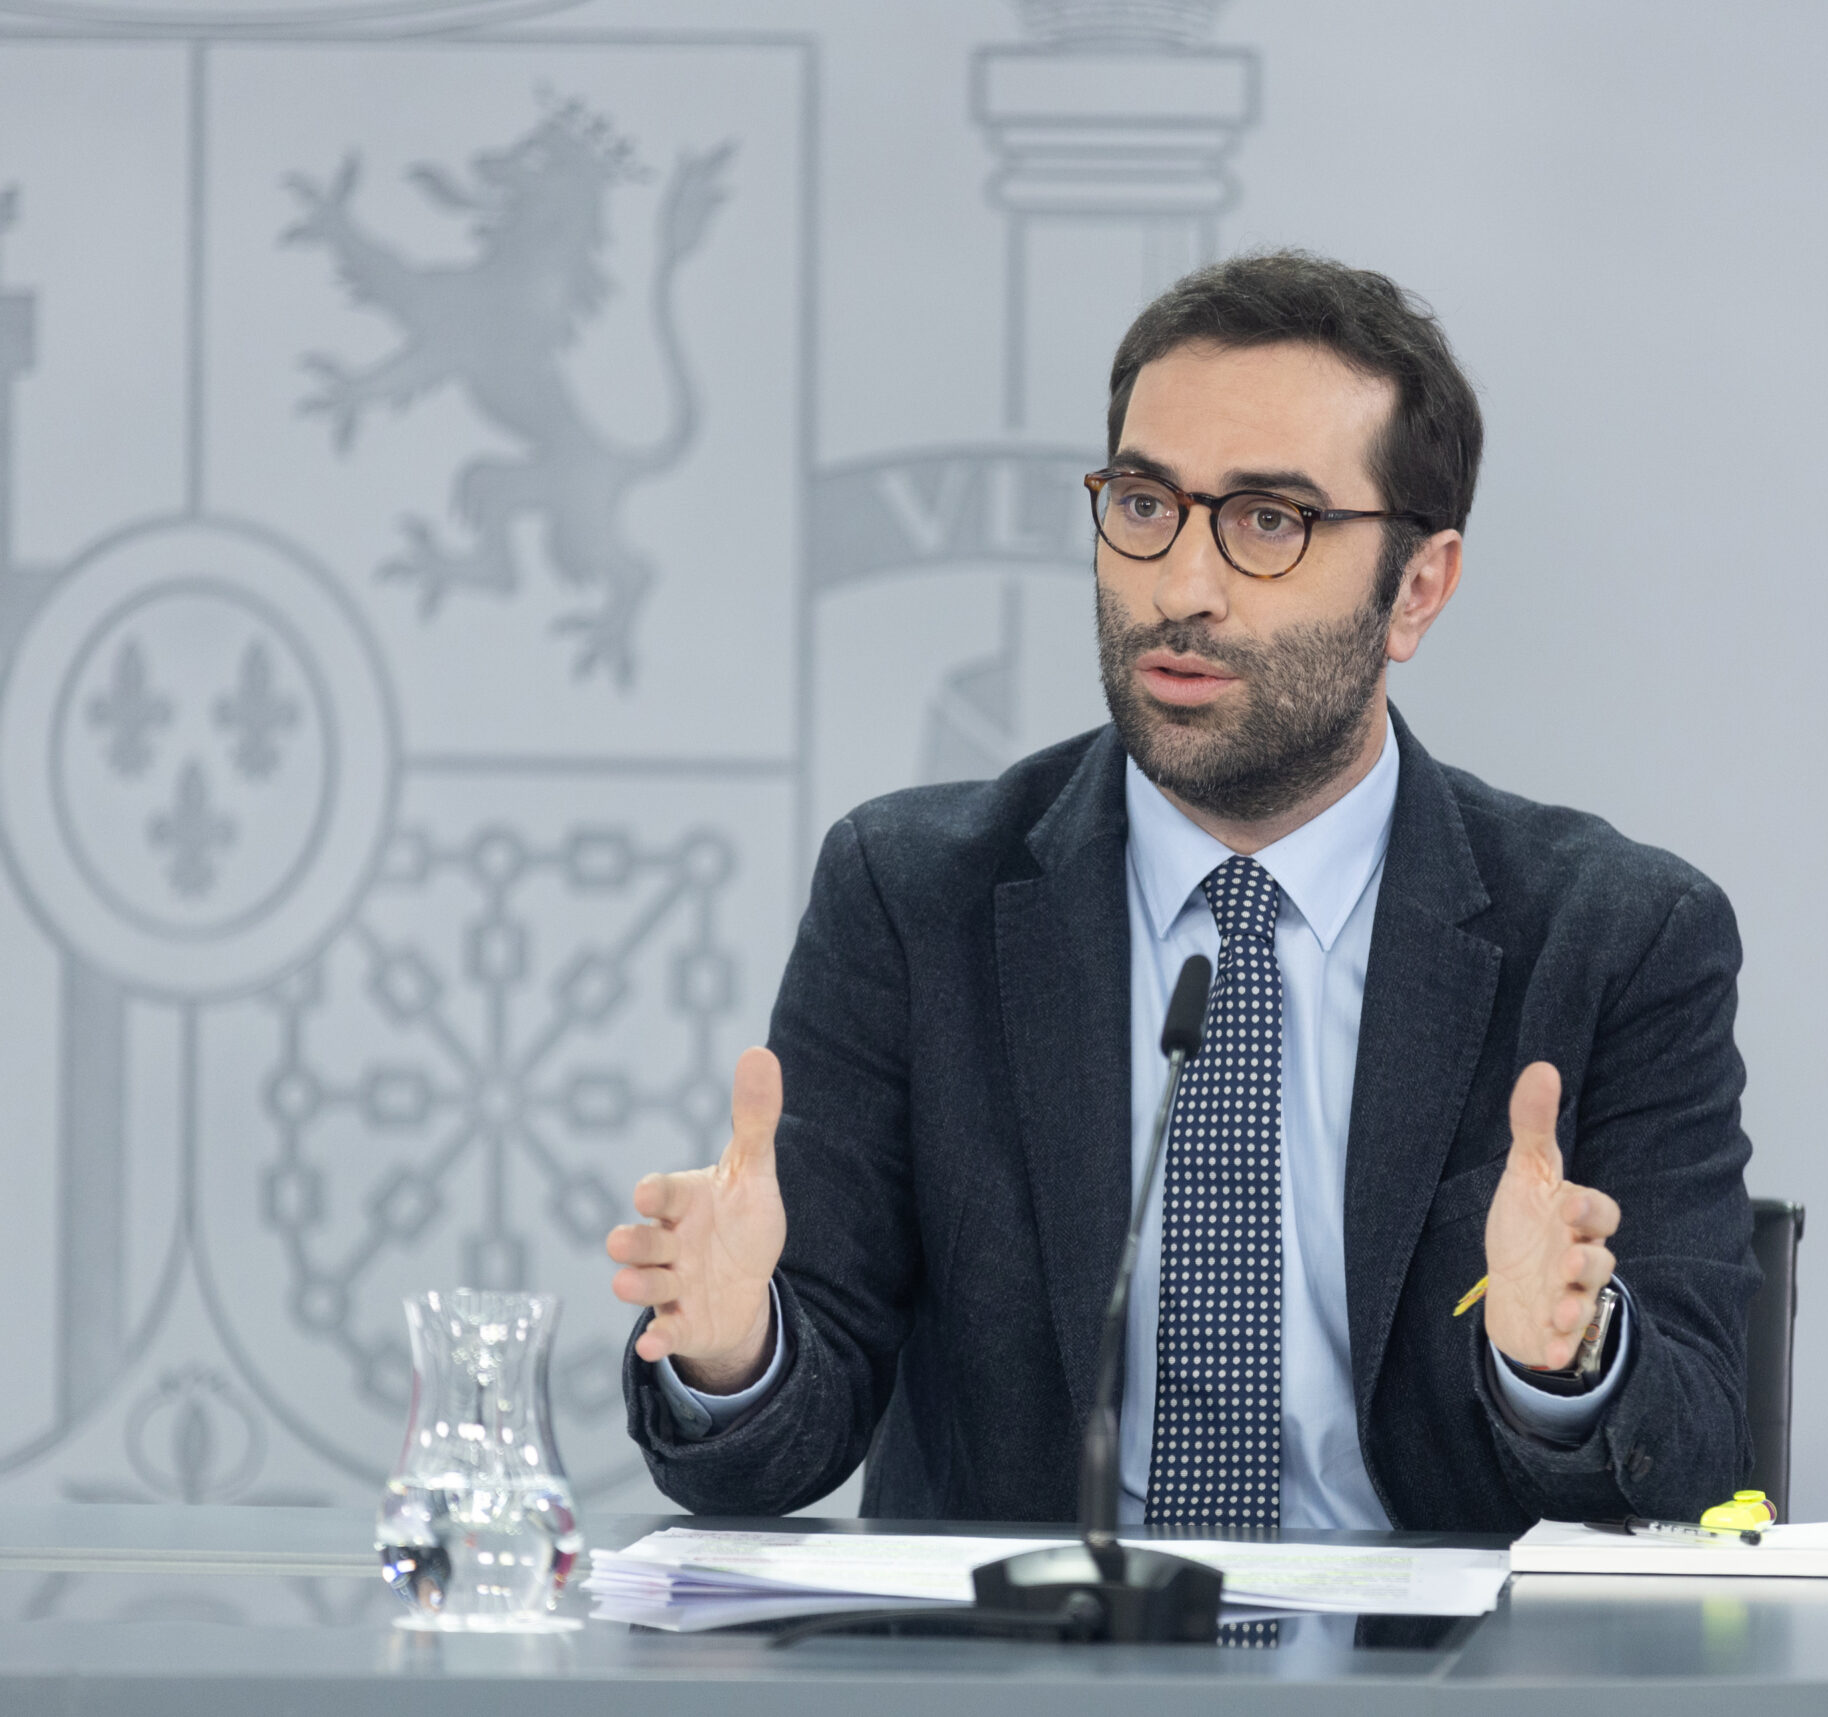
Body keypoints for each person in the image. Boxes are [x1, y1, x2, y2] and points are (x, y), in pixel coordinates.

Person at [610, 251, 1760, 1532]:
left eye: (1269, 521)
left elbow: (1700, 1446)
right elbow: (768, 1447)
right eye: (1145, 503)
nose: (1180, 587)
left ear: (1417, 588)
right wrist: (735, 1349)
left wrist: (1568, 1361)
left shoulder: (1613, 938)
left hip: (1433, 1647)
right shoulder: (913, 896)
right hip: (1030, 1641)